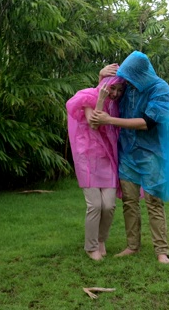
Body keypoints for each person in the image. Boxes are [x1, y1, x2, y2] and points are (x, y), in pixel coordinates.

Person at [91, 51, 169, 264]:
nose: (126, 81)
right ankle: (133, 246)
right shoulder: (127, 87)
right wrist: (100, 75)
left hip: (152, 153)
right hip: (128, 152)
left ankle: (161, 250)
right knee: (130, 201)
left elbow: (146, 122)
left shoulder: (159, 89)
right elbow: (104, 94)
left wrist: (110, 120)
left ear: (141, 73)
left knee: (153, 200)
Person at [66, 73, 126, 261]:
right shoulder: (88, 97)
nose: (115, 93)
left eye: (118, 90)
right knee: (95, 205)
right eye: (112, 88)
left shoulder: (115, 106)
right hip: (87, 158)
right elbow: (93, 124)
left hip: (106, 158)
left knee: (108, 205)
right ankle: (91, 247)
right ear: (104, 85)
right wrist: (100, 99)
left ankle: (101, 240)